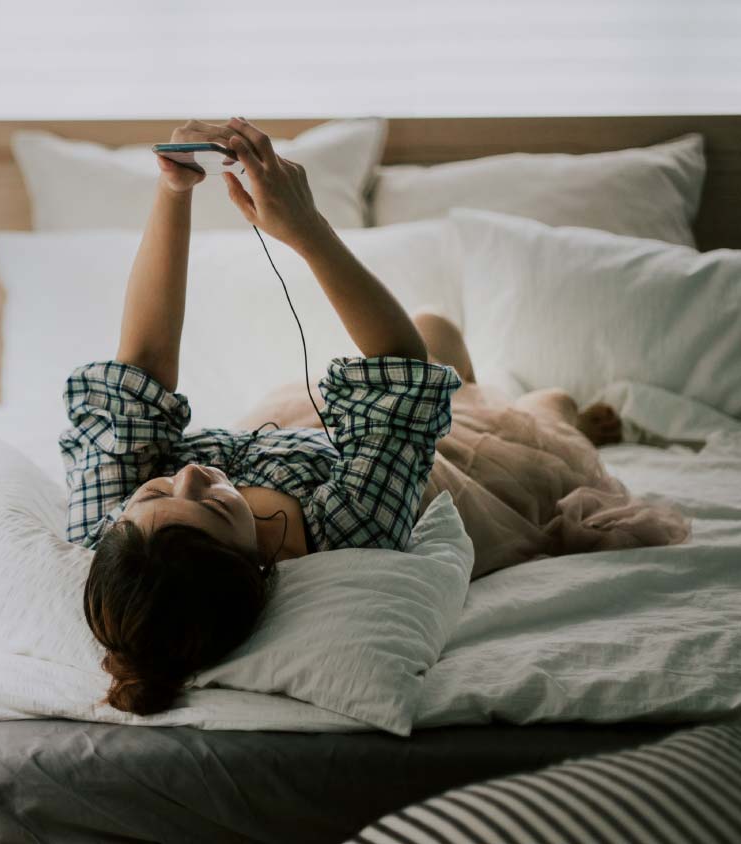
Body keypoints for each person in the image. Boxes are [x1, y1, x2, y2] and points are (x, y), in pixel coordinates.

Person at [63, 118, 688, 717]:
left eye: (158, 488)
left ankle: (500, 398)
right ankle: (555, 411)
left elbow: (140, 366)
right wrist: (305, 227)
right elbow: (399, 363)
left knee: (439, 326)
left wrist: (174, 190)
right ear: (259, 563)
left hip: (305, 431)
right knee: (542, 409)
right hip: (446, 475)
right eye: (218, 505)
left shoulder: (121, 536)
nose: (193, 472)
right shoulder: (351, 526)